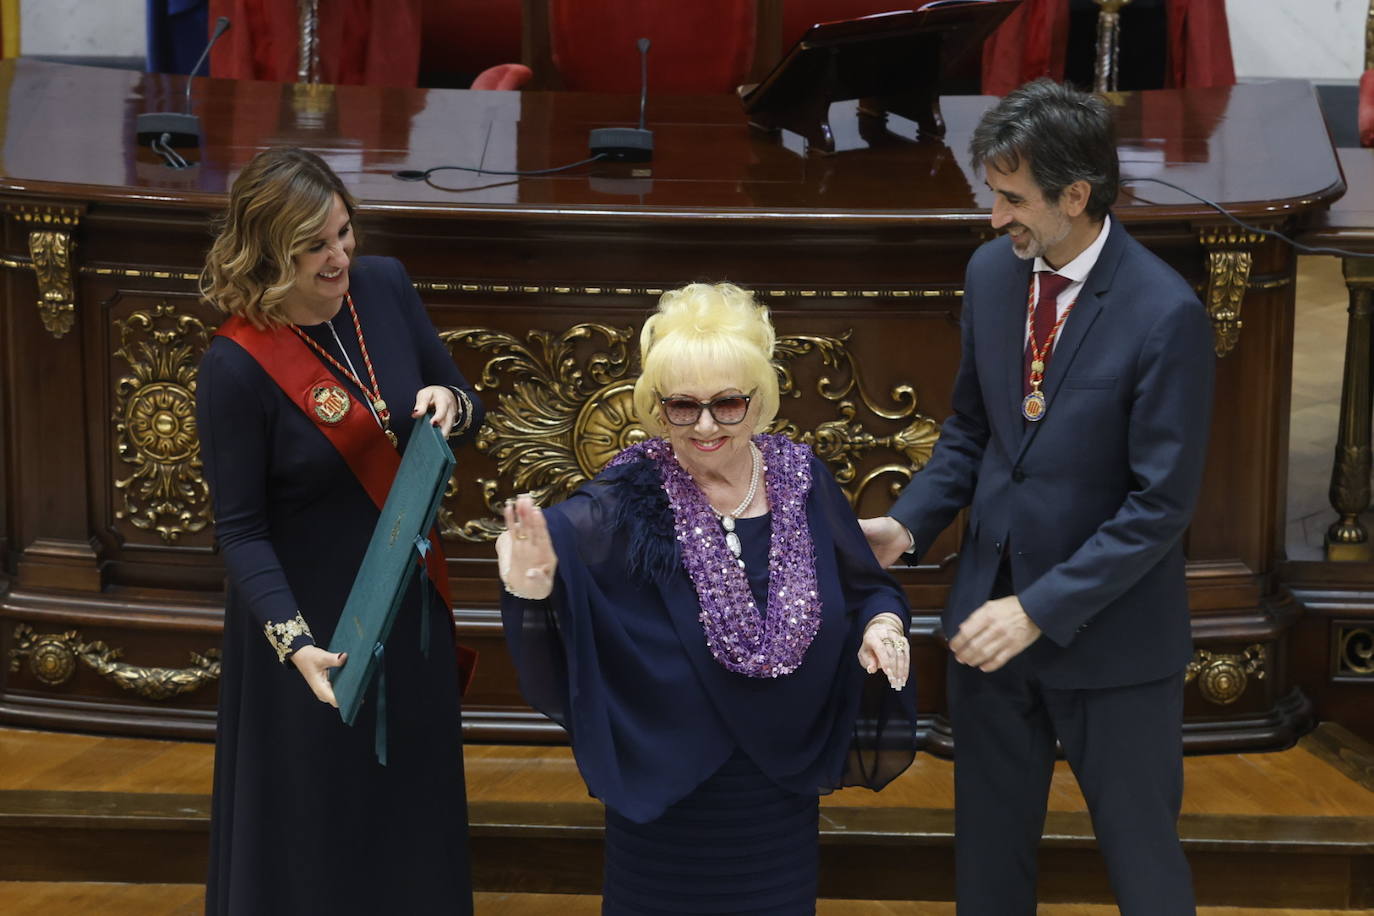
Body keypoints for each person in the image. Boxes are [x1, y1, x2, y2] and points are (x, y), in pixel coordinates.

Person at [862, 79, 1214, 914]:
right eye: (993, 193)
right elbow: (972, 434)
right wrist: (908, 528)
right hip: (991, 635)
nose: (996, 218)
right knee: (988, 870)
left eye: (1013, 198)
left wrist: (1039, 608)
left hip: (1112, 644)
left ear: (1077, 195)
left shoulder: (1166, 315)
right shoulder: (991, 275)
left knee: (1144, 868)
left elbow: (1159, 506)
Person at [498, 282, 918, 915]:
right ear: (657, 407)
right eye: (681, 407)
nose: (703, 425)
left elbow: (866, 586)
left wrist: (882, 625)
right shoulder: (629, 493)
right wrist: (531, 577)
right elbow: (560, 543)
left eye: (727, 405)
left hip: (777, 783)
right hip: (673, 785)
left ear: (759, 400)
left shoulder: (802, 477)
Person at [196, 146, 484, 915]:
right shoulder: (234, 367)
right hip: (313, 630)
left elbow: (464, 397)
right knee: (315, 827)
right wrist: (295, 643)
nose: (340, 256)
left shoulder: (383, 288)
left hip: (407, 608)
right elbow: (241, 530)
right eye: (315, 246)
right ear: (267, 255)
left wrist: (451, 406)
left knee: (409, 817)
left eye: (344, 233)